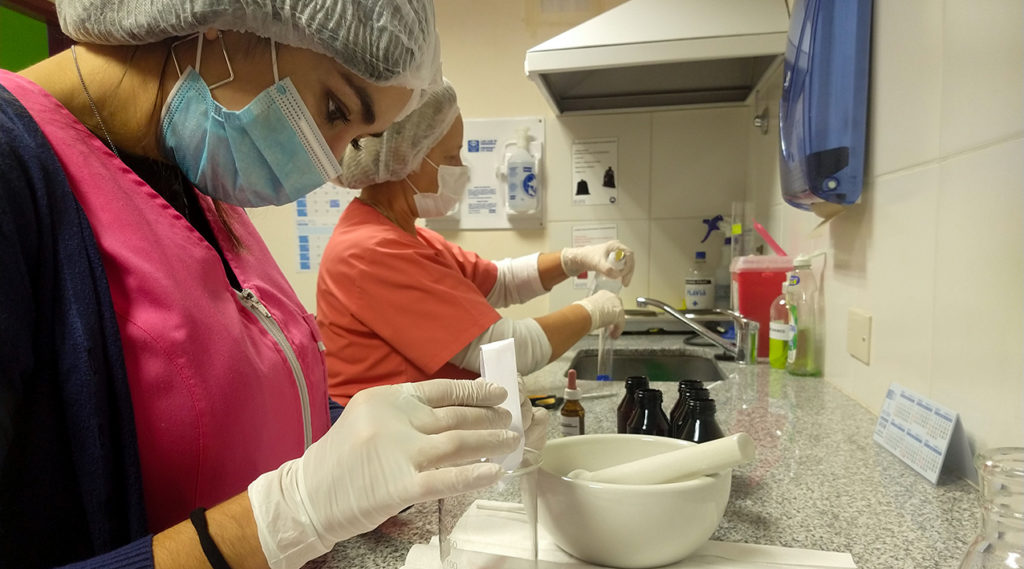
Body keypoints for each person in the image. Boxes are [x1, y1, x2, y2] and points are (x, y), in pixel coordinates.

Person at [0, 1, 545, 568]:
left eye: (361, 139)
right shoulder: (16, 172)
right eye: (335, 108)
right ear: (223, 16)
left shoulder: (200, 179)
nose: (332, 164)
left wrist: (408, 448)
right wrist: (285, 516)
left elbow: (248, 411)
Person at [316, 80, 635, 406]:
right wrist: (593, 311)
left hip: (418, 428)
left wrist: (575, 259)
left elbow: (500, 282)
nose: (461, 168)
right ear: (405, 157)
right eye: (451, 156)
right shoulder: (371, 252)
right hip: (384, 438)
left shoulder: (407, 234)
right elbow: (509, 351)